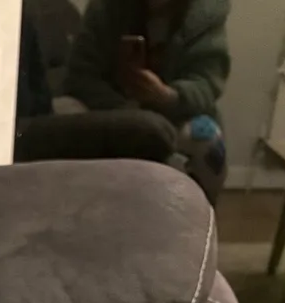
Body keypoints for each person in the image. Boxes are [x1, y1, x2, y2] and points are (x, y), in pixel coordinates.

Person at [60, 0, 230, 201]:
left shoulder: (206, 15)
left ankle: (196, 216)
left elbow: (207, 83)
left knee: (207, 140)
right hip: (108, 112)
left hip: (175, 116)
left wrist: (168, 96)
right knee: (64, 110)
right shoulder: (104, 8)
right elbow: (80, 76)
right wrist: (126, 109)